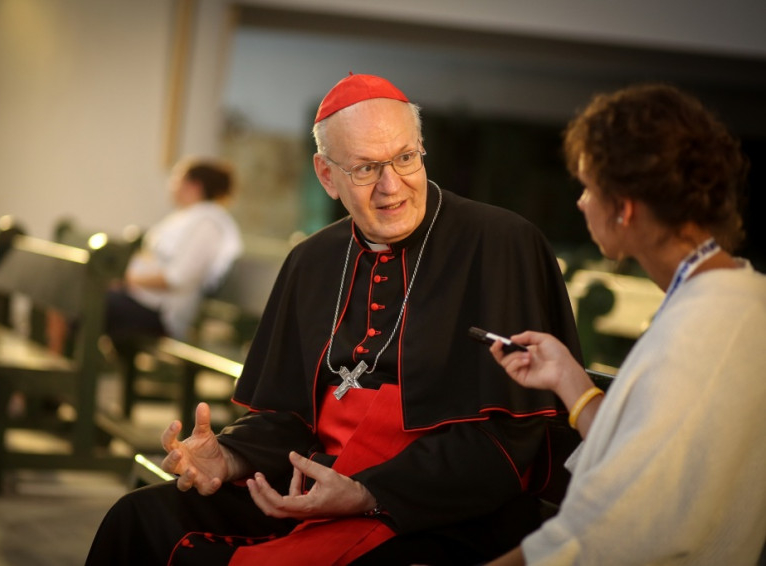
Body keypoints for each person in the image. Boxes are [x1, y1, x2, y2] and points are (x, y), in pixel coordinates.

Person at [86, 73, 582, 565]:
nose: (391, 186)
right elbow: (287, 417)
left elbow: (513, 437)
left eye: (405, 158)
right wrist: (231, 456)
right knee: (139, 518)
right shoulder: (312, 259)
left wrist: (368, 492)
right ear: (327, 176)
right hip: (314, 485)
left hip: (442, 509)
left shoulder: (502, 244)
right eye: (365, 168)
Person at [487, 84, 766, 565]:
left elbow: (601, 533)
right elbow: (648, 464)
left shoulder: (695, 335)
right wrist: (568, 378)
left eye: (589, 187)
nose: (581, 203)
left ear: (624, 208)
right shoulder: (738, 297)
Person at [105, 158, 243, 343]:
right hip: (141, 301)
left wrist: (127, 280)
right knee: (85, 298)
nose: (170, 185)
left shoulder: (207, 224)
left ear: (194, 186)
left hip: (161, 314)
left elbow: (178, 278)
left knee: (91, 303)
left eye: (176, 179)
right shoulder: (187, 217)